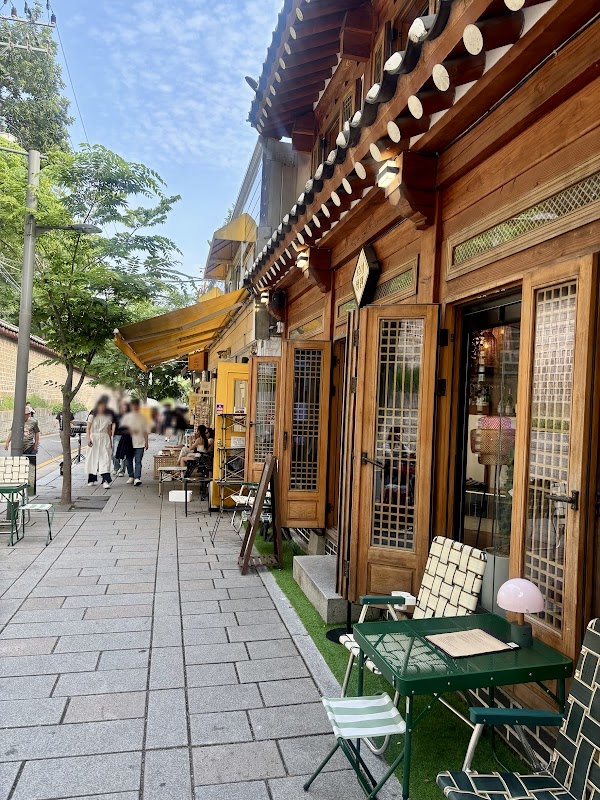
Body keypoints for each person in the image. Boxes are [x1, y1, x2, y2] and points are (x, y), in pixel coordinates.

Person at [86, 397, 115, 488]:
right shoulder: (92, 416)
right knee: (93, 458)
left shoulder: (108, 417)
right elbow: (88, 428)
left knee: (105, 459)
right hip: (94, 437)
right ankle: (92, 478)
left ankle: (105, 480)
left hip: (104, 437)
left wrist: (110, 441)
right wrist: (88, 438)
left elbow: (109, 430)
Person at [120, 399, 149, 486]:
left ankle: (137, 478)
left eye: (136, 405)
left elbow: (145, 431)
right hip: (129, 442)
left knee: (138, 461)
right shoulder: (126, 417)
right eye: (133, 405)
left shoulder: (143, 417)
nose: (135, 407)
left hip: (140, 442)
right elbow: (122, 429)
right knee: (129, 460)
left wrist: (146, 442)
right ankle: (131, 476)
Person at [112, 401, 131, 477]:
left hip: (126, 437)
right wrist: (112, 435)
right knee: (114, 454)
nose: (124, 408)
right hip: (117, 436)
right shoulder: (116, 415)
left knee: (124, 455)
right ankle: (116, 467)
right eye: (122, 406)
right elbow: (113, 424)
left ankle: (122, 471)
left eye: (125, 406)